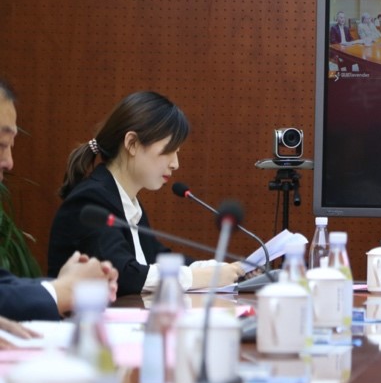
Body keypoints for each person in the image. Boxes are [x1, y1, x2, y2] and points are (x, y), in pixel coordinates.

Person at [48, 91, 245, 296]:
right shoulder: (91, 200)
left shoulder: (128, 202)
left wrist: (225, 269)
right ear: (132, 143)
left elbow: (158, 258)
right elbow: (124, 274)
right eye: (169, 150)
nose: (175, 164)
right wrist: (208, 277)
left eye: (177, 152)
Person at [0, 78, 119, 321]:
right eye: (1, 144)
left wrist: (66, 284)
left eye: (11, 145)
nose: (10, 162)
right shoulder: (93, 195)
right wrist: (64, 291)